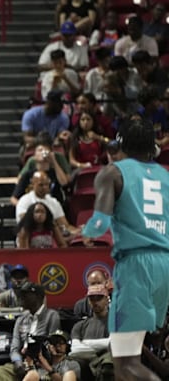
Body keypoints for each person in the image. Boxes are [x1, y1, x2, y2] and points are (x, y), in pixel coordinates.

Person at [81, 117, 169, 380]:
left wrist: (82, 232)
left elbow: (99, 224)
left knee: (126, 364)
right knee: (127, 362)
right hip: (164, 265)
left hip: (136, 265)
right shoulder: (165, 175)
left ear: (122, 145)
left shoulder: (114, 172)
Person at [0, 283, 61, 381]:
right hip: (22, 362)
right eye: (21, 295)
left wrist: (34, 360)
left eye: (25, 295)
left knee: (37, 376)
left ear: (38, 297)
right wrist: (18, 362)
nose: (21, 297)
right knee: (0, 371)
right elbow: (14, 348)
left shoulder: (51, 316)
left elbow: (52, 346)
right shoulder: (21, 319)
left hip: (42, 363)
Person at [69, 284, 111, 381]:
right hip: (84, 365)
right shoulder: (80, 325)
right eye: (92, 299)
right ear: (88, 301)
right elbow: (75, 349)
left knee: (108, 364)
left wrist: (85, 343)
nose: (95, 302)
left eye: (99, 298)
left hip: (107, 365)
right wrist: (101, 348)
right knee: (71, 365)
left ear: (107, 299)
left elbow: (113, 344)